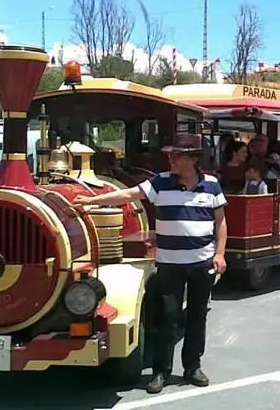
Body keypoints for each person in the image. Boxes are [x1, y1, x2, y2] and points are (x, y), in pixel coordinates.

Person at [73, 133, 227, 394]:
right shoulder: (160, 183)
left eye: (177, 156)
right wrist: (90, 201)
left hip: (202, 264)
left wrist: (220, 254)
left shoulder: (211, 185)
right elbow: (126, 196)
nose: (171, 159)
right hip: (169, 265)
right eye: (170, 155)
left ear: (192, 159)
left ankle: (192, 368)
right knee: (168, 317)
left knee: (197, 317)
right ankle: (161, 372)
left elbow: (220, 222)